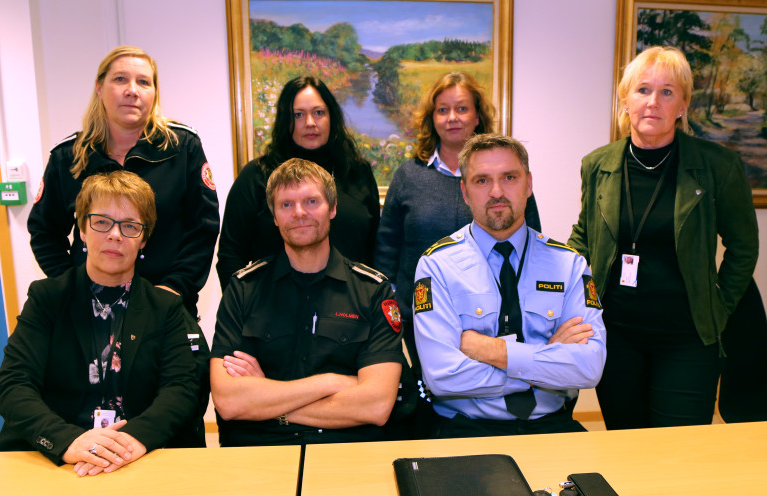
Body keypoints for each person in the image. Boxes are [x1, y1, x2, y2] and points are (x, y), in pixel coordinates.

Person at [568, 46, 759, 429]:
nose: (653, 102)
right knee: (625, 444)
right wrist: (573, 300)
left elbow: (743, 246)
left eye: (667, 92)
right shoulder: (598, 164)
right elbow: (583, 238)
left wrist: (719, 307)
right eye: (643, 90)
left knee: (679, 453)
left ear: (683, 105)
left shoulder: (718, 166)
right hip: (617, 336)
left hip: (687, 337)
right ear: (625, 100)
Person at [0, 171, 200, 476]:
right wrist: (68, 441)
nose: (115, 235)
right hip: (57, 457)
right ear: (82, 230)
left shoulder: (166, 307)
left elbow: (181, 388)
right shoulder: (47, 298)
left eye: (129, 226)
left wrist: (131, 442)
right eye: (102, 222)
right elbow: (14, 385)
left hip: (135, 457)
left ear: (144, 239)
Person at [414, 134, 606, 438]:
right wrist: (546, 358)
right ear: (464, 191)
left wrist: (490, 350)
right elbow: (441, 376)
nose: (497, 192)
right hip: (465, 428)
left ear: (528, 184)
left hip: (551, 426)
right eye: (481, 181)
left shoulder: (569, 265)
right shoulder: (437, 266)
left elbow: (589, 367)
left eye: (509, 177)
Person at [210, 158, 404, 446]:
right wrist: (332, 383)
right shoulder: (242, 288)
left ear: (333, 208)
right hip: (258, 451)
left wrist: (266, 398)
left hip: (346, 451)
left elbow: (376, 406)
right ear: (274, 217)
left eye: (311, 201)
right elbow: (229, 401)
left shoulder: (373, 291)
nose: (299, 213)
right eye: (286, 205)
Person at [28, 45, 219, 318]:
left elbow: (204, 227)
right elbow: (44, 231)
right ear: (99, 87)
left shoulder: (182, 146)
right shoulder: (67, 156)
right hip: (91, 307)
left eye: (143, 82)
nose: (132, 90)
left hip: (167, 302)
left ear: (154, 93)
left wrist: (175, 287)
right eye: (120, 79)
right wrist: (73, 285)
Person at [375, 72, 541, 384]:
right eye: (443, 109)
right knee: (434, 386)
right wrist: (391, 306)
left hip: (497, 308)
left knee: (496, 382)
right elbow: (387, 245)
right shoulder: (408, 175)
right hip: (422, 312)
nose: (453, 118)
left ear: (478, 115)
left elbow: (530, 239)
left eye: (462, 108)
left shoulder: (503, 174)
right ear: (432, 118)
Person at [216, 76, 380, 290]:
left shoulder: (357, 172)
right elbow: (231, 255)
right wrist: (241, 312)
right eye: (299, 115)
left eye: (319, 112)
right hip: (274, 311)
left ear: (332, 117)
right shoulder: (257, 176)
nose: (310, 123)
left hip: (351, 311)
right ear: (286, 120)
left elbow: (376, 248)